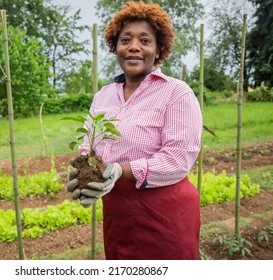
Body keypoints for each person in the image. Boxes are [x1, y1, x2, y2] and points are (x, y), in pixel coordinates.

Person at [66, 0, 203, 260]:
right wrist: (82, 177)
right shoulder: (103, 96)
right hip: (119, 214)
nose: (134, 47)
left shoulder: (176, 93)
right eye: (125, 39)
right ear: (115, 47)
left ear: (159, 48)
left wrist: (121, 169)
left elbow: (178, 159)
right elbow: (88, 146)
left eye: (145, 40)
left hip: (165, 212)